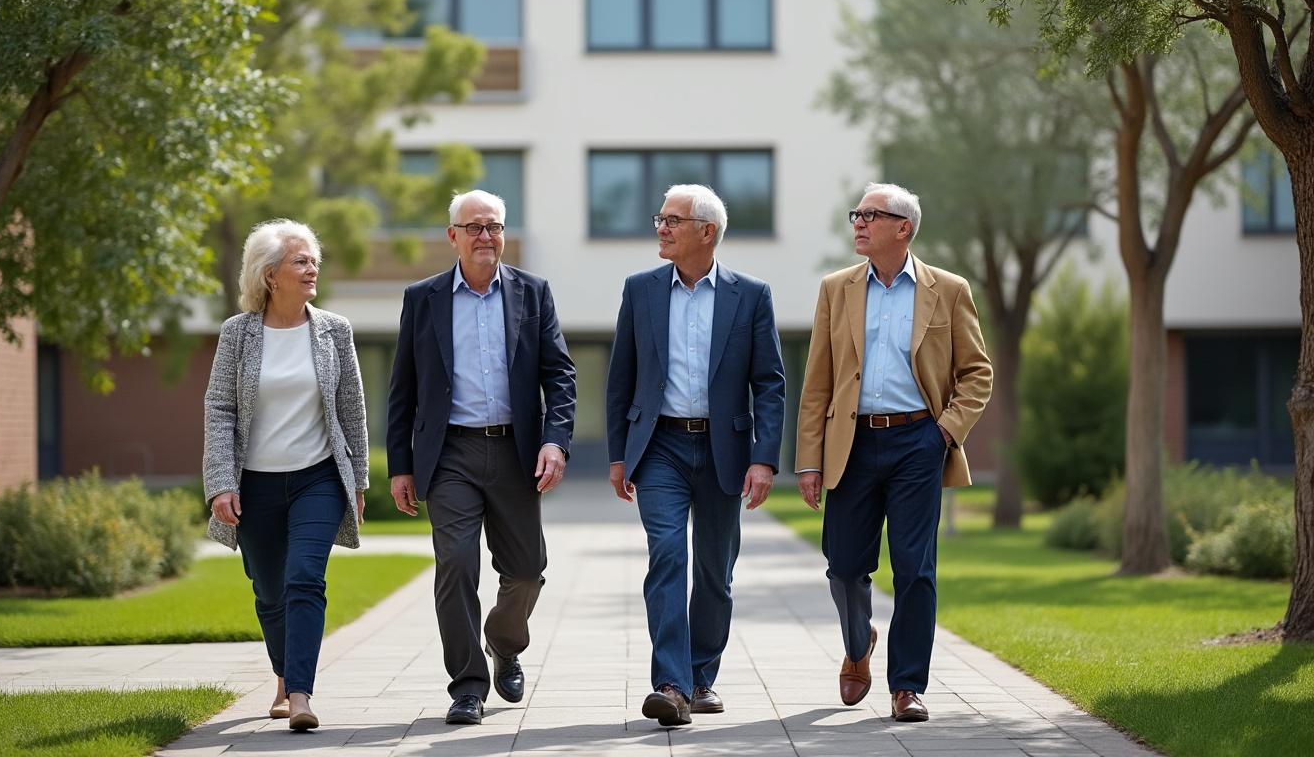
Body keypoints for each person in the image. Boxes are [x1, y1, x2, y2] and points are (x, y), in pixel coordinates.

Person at [795, 183, 992, 722]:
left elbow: (977, 373)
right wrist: (809, 460)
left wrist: (944, 433)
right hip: (851, 443)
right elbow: (817, 382)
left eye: (870, 215)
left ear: (903, 228)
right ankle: (858, 643)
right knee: (843, 566)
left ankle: (907, 686)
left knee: (915, 569)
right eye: (856, 214)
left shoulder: (948, 290)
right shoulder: (835, 289)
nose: (858, 222)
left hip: (918, 443)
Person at [386, 189, 576, 726]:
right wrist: (401, 466)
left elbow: (560, 375)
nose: (485, 236)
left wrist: (555, 441)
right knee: (456, 564)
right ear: (453, 236)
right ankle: (467, 686)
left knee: (527, 571)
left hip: (516, 451)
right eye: (473, 227)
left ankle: (504, 643)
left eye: (493, 226)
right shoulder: (422, 298)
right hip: (450, 453)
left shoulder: (532, 292)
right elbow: (403, 389)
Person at [605, 184, 786, 726]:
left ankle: (701, 676)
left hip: (724, 449)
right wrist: (618, 455)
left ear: (706, 232)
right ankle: (671, 683)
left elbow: (769, 384)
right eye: (659, 218)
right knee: (667, 555)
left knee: (714, 571)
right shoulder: (639, 290)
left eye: (673, 220)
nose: (661, 228)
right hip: (659, 445)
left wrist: (764, 458)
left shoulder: (750, 295)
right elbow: (620, 379)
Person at [203, 219, 369, 732]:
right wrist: (221, 483)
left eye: (314, 259)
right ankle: (282, 676)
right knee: (269, 590)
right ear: (270, 274)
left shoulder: (334, 330)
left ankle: (300, 694)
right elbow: (219, 408)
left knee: (304, 578)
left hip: (318, 478)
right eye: (301, 261)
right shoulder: (238, 334)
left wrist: (358, 482)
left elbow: (352, 409)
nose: (312, 268)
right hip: (254, 483)